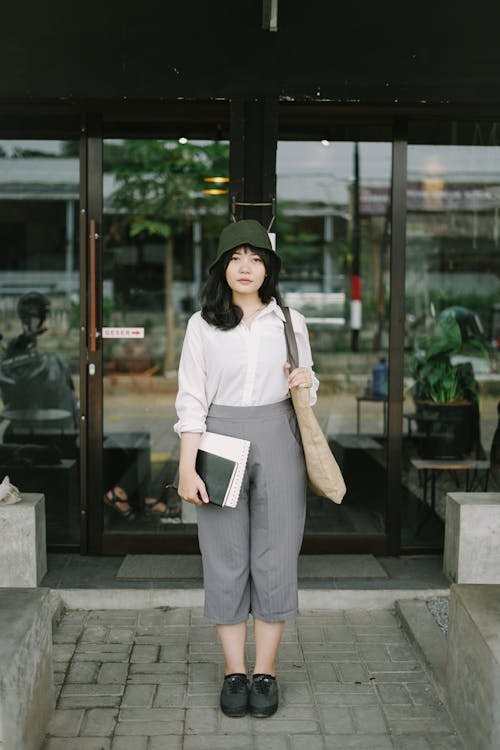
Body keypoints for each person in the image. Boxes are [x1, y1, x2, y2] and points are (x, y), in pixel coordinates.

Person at [173, 219, 319, 718]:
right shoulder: (202, 324)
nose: (246, 267)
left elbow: (307, 390)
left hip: (278, 437)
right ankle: (235, 671)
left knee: (276, 557)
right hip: (218, 438)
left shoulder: (289, 322)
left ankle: (266, 672)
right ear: (221, 266)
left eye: (256, 258)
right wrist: (186, 467)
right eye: (236, 257)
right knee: (225, 557)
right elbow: (191, 399)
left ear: (268, 268)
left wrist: (306, 379)